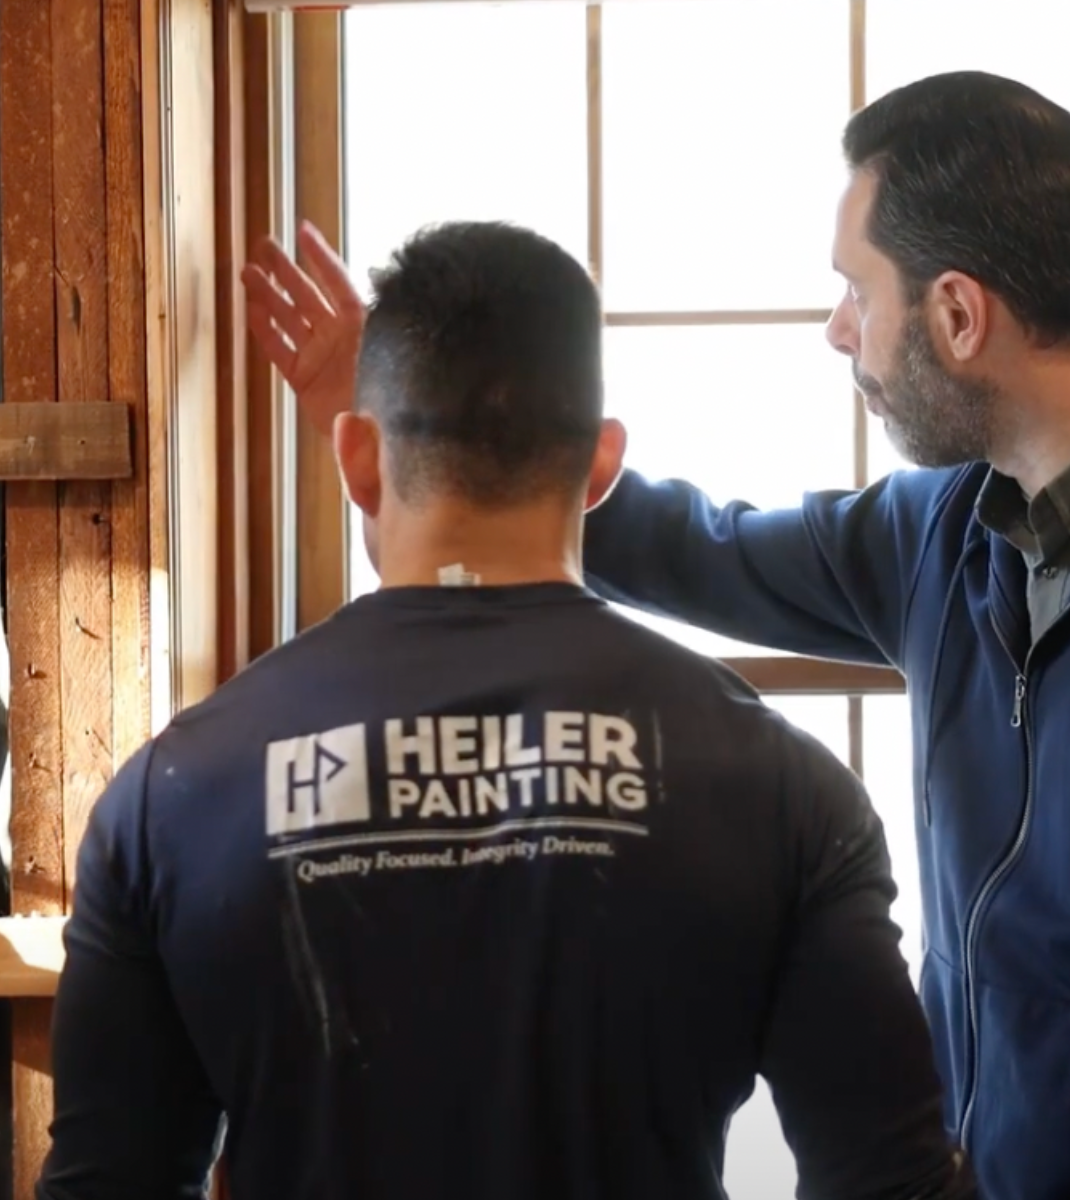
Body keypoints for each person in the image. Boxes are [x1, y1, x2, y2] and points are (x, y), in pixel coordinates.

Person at [242, 73, 1070, 1200]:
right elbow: (706, 549)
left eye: (857, 292)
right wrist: (423, 419)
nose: (839, 330)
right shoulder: (948, 532)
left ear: (958, 315)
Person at [40, 220, 977, 1200]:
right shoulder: (781, 789)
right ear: (603, 465)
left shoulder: (174, 797)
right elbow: (892, 1183)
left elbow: (108, 1183)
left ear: (356, 456)